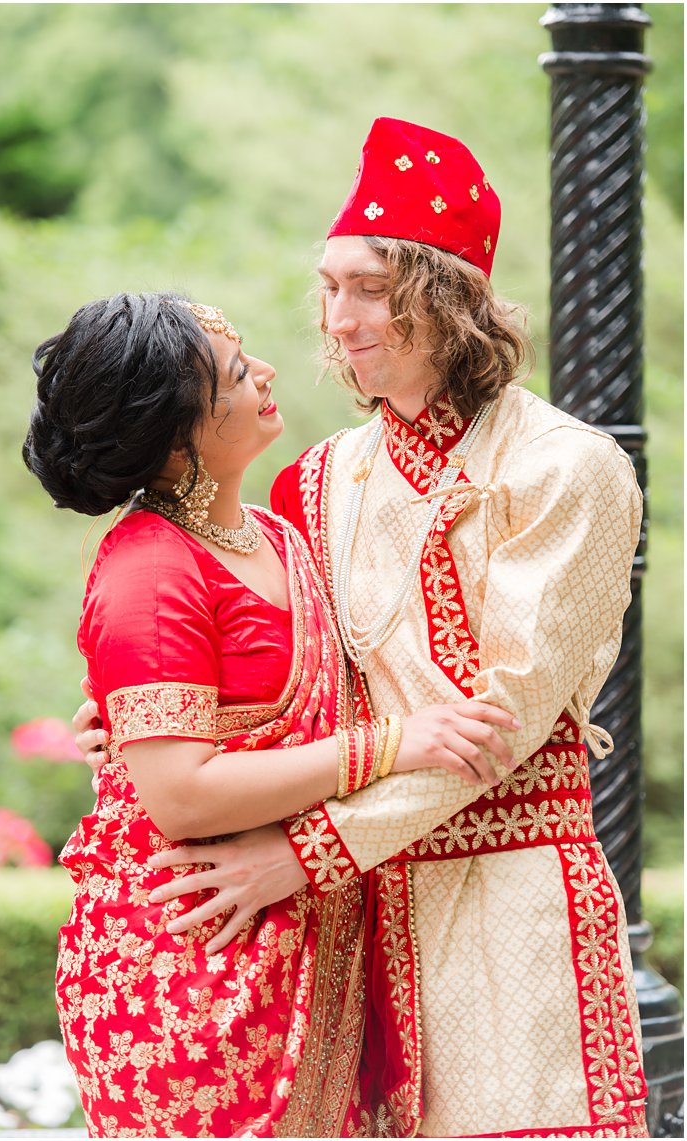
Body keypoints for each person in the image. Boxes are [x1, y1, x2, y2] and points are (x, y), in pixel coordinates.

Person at [77, 118, 649, 1137]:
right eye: (329, 286)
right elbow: (257, 658)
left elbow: (501, 725)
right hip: (346, 930)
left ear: (447, 297)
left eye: (371, 290)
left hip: (507, 899)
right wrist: (121, 719)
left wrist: (304, 852)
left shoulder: (565, 469)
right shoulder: (321, 480)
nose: (337, 320)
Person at [24, 291, 515, 1137]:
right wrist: (393, 745)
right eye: (237, 372)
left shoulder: (278, 535)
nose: (267, 373)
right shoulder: (150, 567)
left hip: (311, 935)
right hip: (192, 969)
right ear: (178, 435)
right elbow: (181, 795)